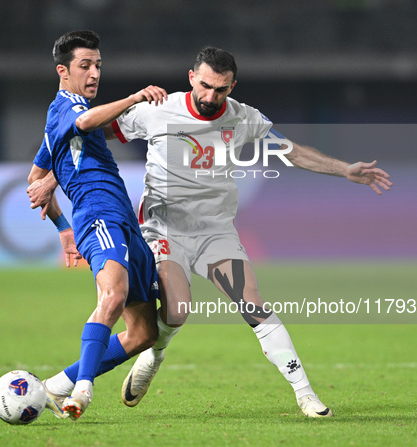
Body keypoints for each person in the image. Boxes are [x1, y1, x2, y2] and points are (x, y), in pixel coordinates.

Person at [29, 46, 392, 418]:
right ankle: (155, 353)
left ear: (232, 86)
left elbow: (292, 151)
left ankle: (305, 394)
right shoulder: (158, 109)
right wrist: (54, 177)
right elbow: (84, 138)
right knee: (176, 311)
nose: (210, 96)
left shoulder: (243, 118)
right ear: (191, 78)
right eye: (204, 86)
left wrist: (345, 169)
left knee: (253, 304)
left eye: (220, 89)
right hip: (163, 228)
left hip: (215, 231)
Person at [26, 29, 167, 420]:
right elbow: (86, 121)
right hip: (99, 214)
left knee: (144, 333)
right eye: (85, 66)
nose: (94, 74)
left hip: (124, 220)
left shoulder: (58, 122)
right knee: (113, 295)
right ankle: (83, 389)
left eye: (98, 66)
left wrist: (62, 228)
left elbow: (35, 179)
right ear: (63, 71)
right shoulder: (65, 108)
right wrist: (135, 98)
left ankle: (56, 386)